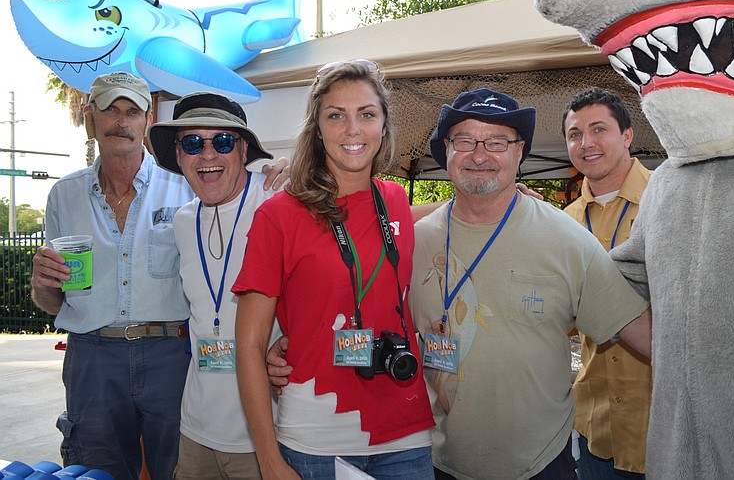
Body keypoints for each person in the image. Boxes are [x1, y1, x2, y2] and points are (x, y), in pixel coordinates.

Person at [30, 72, 288, 480]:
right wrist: (41, 285)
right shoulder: (64, 194)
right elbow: (56, 300)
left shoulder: (187, 183)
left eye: (132, 111)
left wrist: (291, 171)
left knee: (173, 468)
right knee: (96, 471)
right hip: (92, 356)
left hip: (169, 355)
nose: (121, 121)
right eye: (110, 109)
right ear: (89, 116)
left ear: (147, 119)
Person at [408, 88, 652, 480]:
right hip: (437, 462)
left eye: (497, 142)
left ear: (519, 153)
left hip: (540, 465)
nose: (481, 154)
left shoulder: (567, 239)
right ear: (447, 151)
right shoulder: (414, 242)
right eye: (465, 140)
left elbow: (645, 335)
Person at [232, 60, 435, 480]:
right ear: (317, 128)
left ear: (384, 125)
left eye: (367, 114)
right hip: (316, 437)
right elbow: (249, 346)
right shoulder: (280, 216)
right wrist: (269, 461)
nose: (353, 129)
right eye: (336, 116)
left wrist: (506, 198)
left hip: (406, 431)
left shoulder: (394, 201)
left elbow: (431, 218)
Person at [147, 92, 283, 478]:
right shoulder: (182, 221)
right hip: (196, 432)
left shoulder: (279, 201)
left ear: (243, 150)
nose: (207, 155)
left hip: (263, 436)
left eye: (222, 141)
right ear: (178, 155)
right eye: (192, 143)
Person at [562, 88, 652, 480]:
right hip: (595, 430)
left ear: (627, 135)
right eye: (575, 134)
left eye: (599, 129)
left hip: (664, 426)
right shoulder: (563, 222)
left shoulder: (666, 200)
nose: (587, 143)